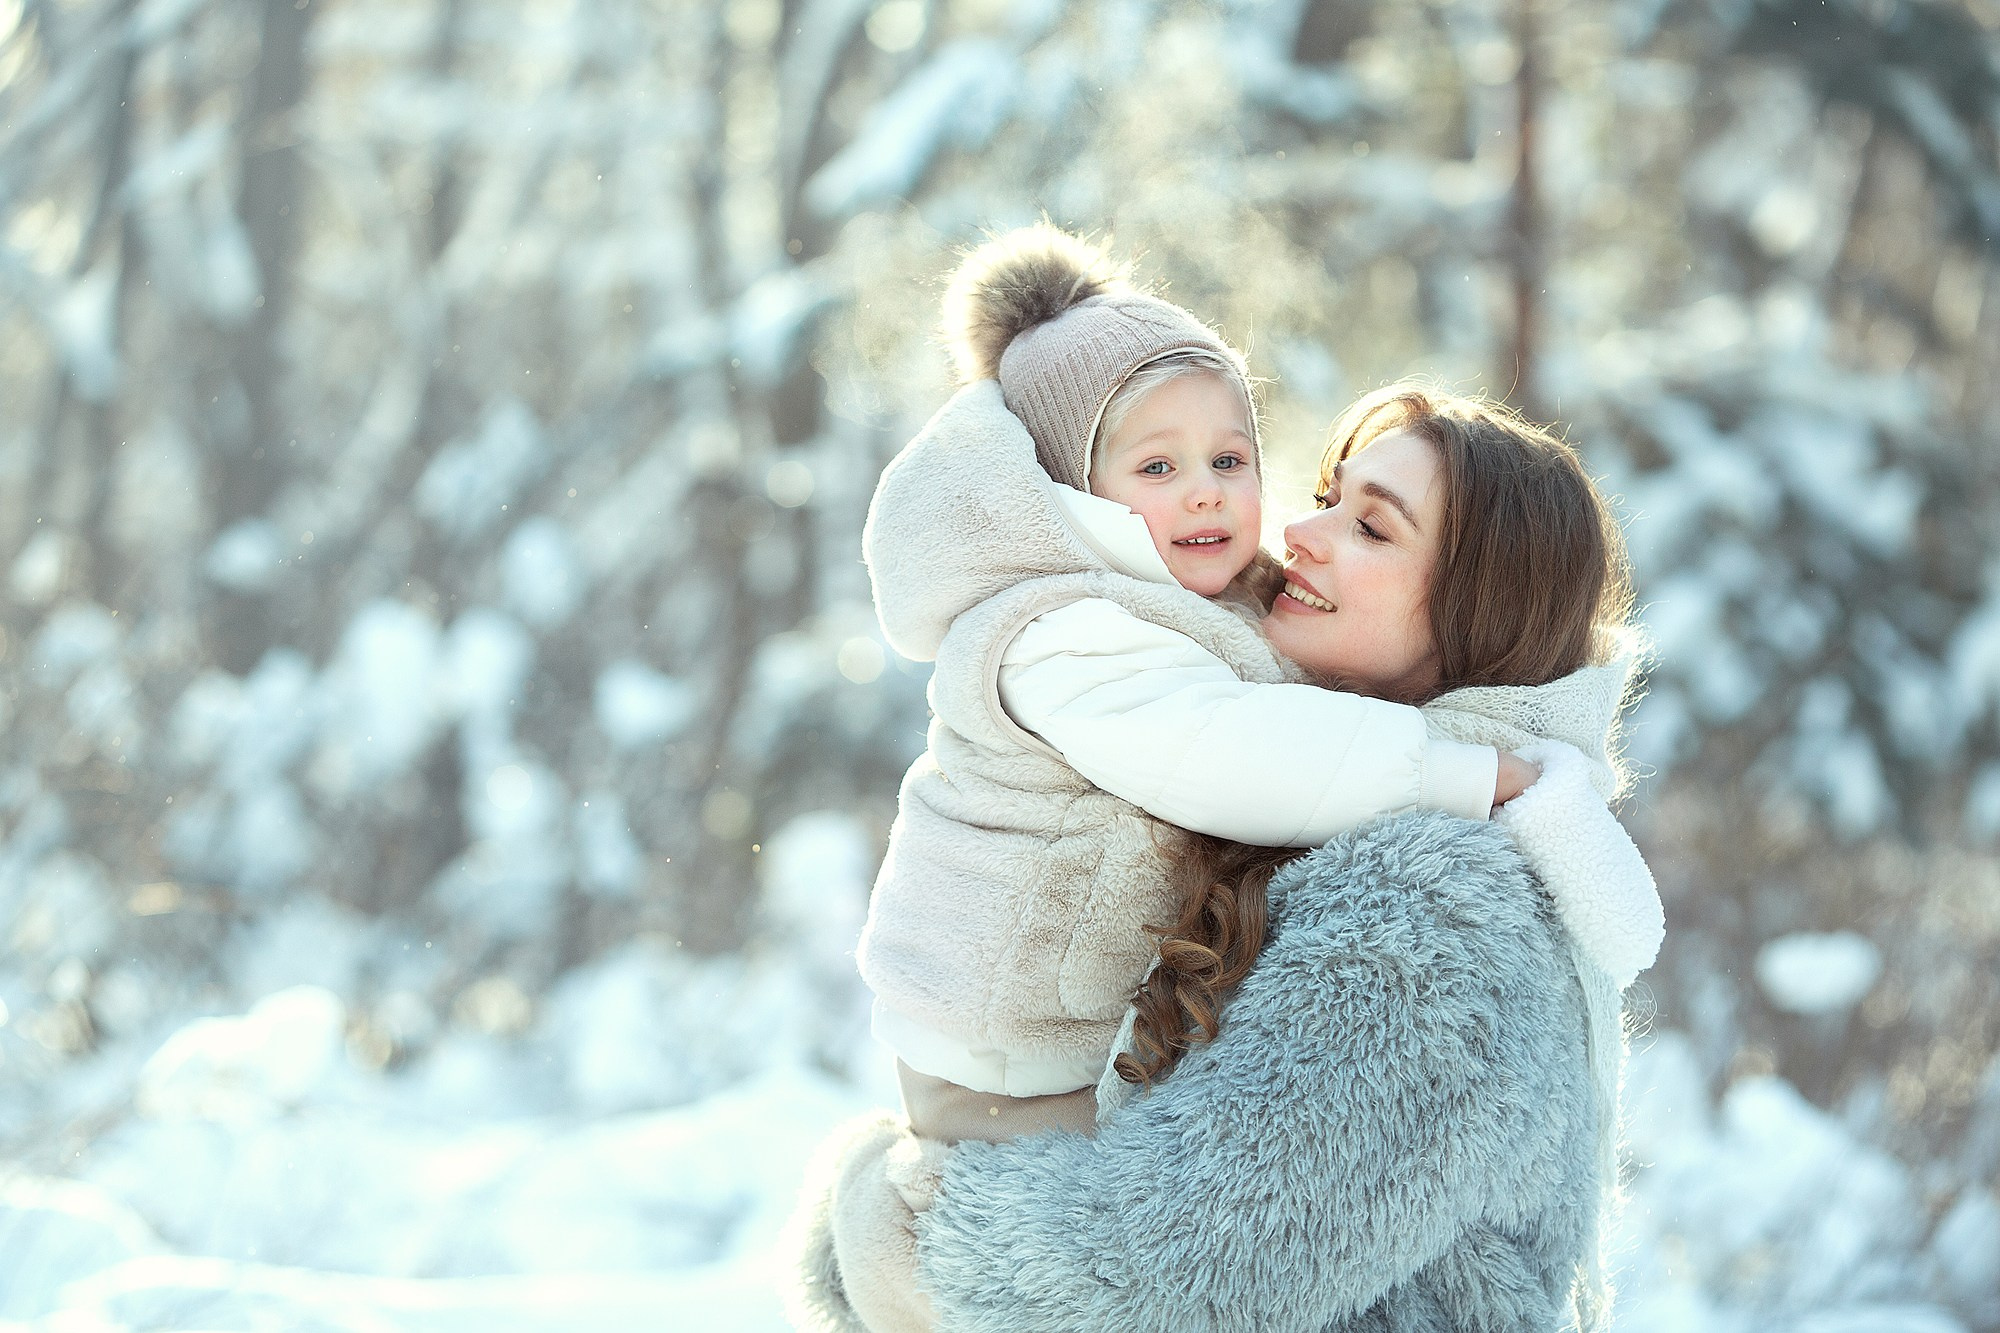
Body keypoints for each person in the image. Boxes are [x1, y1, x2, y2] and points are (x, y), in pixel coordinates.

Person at [786, 382, 1656, 1333]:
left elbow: (1153, 1280)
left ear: (1476, 617)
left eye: (1373, 528)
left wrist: (880, 1218)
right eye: (1328, 494)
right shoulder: (1322, 800)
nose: (1302, 532)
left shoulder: (1431, 910)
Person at [856, 226, 1545, 1148]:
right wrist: (1442, 773)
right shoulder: (1058, 633)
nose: (1206, 493)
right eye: (1157, 468)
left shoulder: (1205, 603)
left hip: (1071, 1031)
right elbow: (1227, 754)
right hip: (1002, 1045)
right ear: (1071, 493)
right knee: (1076, 1242)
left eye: (1229, 460)